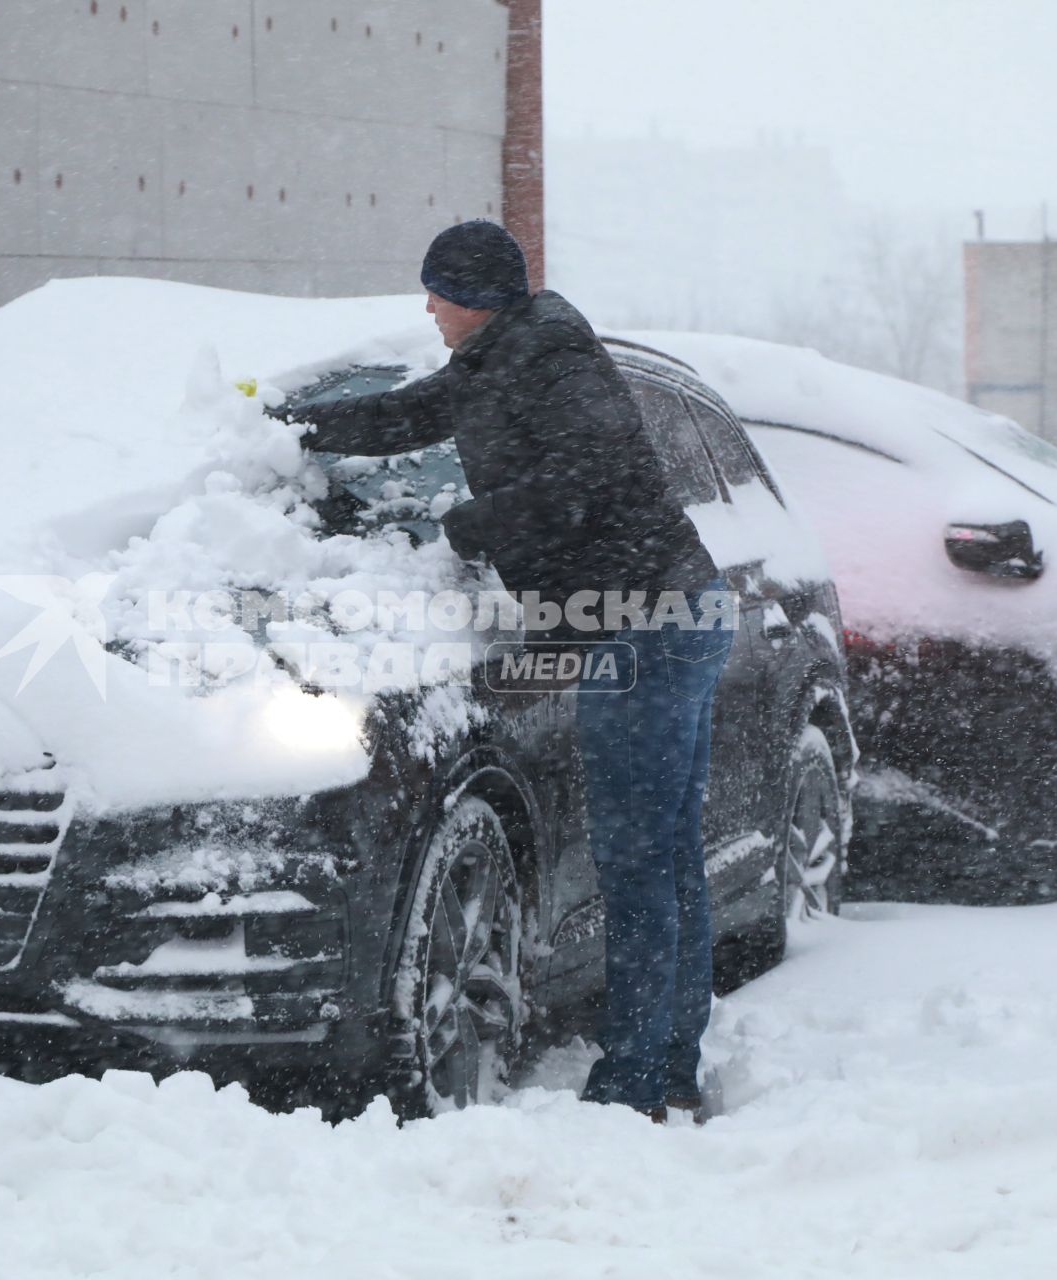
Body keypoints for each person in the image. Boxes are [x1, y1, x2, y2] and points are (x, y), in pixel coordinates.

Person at [276, 220, 731, 1122]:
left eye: (439, 292)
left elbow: (590, 477)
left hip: (646, 626)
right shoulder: (501, 359)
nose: (430, 308)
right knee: (666, 859)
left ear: (477, 296)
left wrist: (474, 527)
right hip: (661, 616)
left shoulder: (553, 363)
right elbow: (409, 413)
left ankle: (637, 1078)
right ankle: (668, 1060)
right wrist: (298, 426)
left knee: (641, 866)